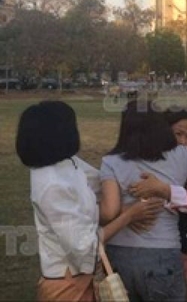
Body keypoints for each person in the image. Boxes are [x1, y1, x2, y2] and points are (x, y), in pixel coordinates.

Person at [16, 101, 163, 301]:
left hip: (83, 278)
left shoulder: (68, 163)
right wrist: (129, 216)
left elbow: (102, 181)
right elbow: (86, 248)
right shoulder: (52, 185)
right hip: (67, 286)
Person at [99, 100, 187, 301]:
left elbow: (109, 212)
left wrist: (129, 211)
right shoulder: (182, 156)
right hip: (162, 252)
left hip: (120, 252)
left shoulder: (111, 162)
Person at [129, 106, 187, 301]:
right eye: (178, 134)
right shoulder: (142, 163)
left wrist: (168, 192)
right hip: (147, 261)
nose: (183, 142)